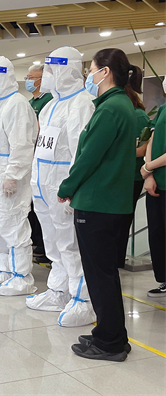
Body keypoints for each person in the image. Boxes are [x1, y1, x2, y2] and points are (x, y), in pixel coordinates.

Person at [58, 48, 141, 361]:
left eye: (90, 69)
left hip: (98, 202)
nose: (87, 75)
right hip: (109, 200)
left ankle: (109, 342)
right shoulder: (120, 104)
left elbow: (89, 156)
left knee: (99, 274)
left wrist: (67, 187)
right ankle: (111, 333)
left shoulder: (110, 109)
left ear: (105, 72)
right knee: (104, 272)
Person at [25, 47, 96, 327]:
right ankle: (58, 291)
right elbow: (42, 149)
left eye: (52, 70)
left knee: (71, 245)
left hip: (63, 188)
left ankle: (82, 300)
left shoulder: (82, 104)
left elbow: (81, 152)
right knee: (54, 243)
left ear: (67, 70)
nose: (47, 76)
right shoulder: (50, 106)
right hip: (44, 187)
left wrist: (73, 189)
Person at [0, 56, 38, 296]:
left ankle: (22, 276)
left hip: (6, 177)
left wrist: (13, 174)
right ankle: (4, 266)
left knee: (13, 223)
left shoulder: (16, 104)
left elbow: (22, 143)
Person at [118, 87, 150, 268]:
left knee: (123, 218)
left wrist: (117, 149)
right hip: (119, 173)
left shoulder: (138, 116)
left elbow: (142, 148)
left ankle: (117, 257)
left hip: (132, 176)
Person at [141, 78, 166, 297]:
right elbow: (152, 137)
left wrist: (150, 166)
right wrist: (148, 172)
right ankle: (164, 279)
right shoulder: (163, 110)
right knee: (157, 233)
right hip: (156, 182)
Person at [26, 63, 52, 262]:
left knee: (44, 205)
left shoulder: (49, 101)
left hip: (45, 159)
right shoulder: (30, 102)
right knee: (33, 204)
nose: (28, 81)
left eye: (31, 77)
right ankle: (36, 241)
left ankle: (44, 246)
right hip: (30, 158)